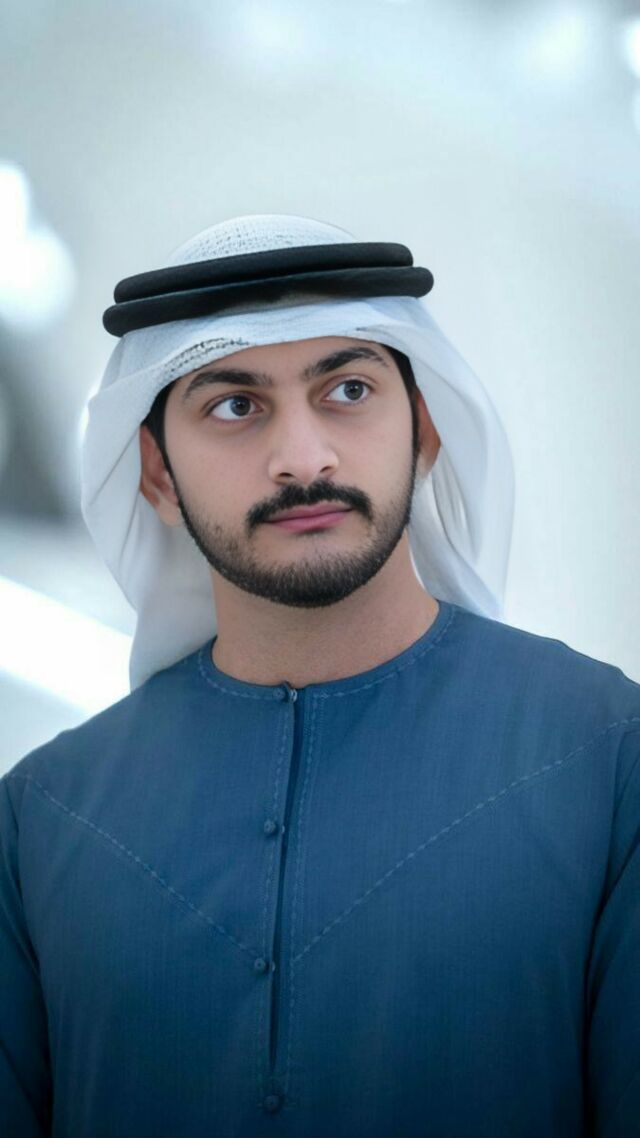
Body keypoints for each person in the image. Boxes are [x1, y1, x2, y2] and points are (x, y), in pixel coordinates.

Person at [1, 214, 638, 1138]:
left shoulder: (608, 761)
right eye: (234, 406)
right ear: (157, 475)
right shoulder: (39, 822)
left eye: (347, 389)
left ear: (424, 433)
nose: (303, 459)